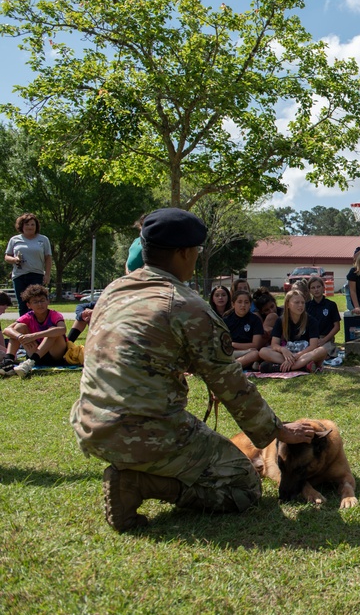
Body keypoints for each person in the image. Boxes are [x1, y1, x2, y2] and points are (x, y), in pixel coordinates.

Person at [69, 208, 317, 532]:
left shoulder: (113, 291)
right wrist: (277, 430)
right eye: (197, 251)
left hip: (91, 425)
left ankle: (140, 472)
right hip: (146, 433)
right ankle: (138, 484)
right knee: (244, 485)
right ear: (185, 253)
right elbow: (231, 384)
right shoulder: (185, 305)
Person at [2, 283, 68, 378]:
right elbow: (7, 330)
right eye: (35, 302)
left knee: (53, 330)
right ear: (29, 305)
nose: (40, 304)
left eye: (42, 300)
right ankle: (8, 362)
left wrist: (34, 336)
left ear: (48, 301)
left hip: (55, 354)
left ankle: (30, 363)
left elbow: (62, 329)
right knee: (18, 327)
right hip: (35, 352)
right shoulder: (28, 316)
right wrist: (20, 336)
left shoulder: (54, 314)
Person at [258, 289, 327, 373]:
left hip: (304, 354)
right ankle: (302, 367)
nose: (300, 305)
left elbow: (313, 346)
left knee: (322, 351)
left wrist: (296, 356)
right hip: (287, 355)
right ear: (287, 304)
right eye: (297, 302)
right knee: (263, 351)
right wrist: (284, 350)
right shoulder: (281, 321)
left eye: (302, 302)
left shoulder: (312, 321)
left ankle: (281, 367)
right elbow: (274, 344)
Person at [4, 213, 52, 316]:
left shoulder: (43, 239)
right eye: (27, 224)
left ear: (36, 226)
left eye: (32, 224)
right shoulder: (14, 239)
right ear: (22, 226)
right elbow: (7, 257)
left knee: (36, 303)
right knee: (23, 304)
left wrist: (47, 274)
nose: (30, 227)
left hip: (36, 275)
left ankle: (35, 327)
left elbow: (48, 258)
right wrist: (15, 259)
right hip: (19, 275)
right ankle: (23, 328)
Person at [224, 290, 265, 370]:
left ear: (250, 305)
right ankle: (241, 365)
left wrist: (234, 344)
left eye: (246, 302)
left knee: (255, 354)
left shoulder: (255, 320)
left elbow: (255, 345)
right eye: (239, 302)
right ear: (233, 304)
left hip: (248, 352)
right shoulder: (226, 320)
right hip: (231, 352)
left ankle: (230, 368)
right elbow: (224, 344)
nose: (243, 305)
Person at [304, 275, 341, 358]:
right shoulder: (307, 306)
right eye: (313, 288)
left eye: (318, 287)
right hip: (311, 339)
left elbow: (337, 327)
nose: (316, 290)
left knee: (323, 352)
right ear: (309, 290)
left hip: (326, 339)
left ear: (323, 288)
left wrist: (324, 340)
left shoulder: (331, 305)